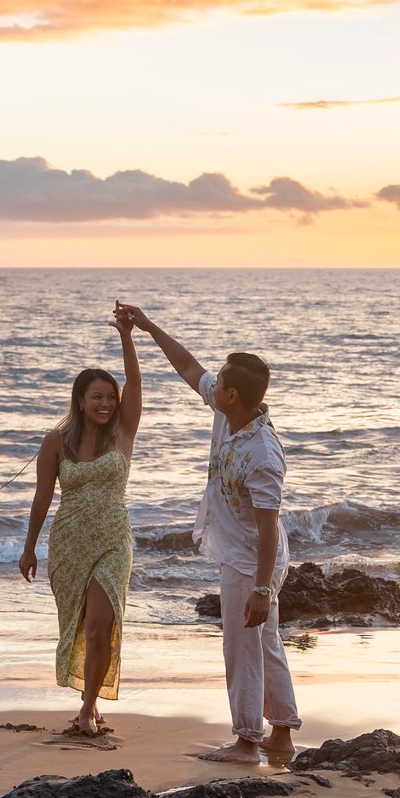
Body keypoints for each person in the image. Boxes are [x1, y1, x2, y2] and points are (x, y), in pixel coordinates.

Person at [116, 301, 298, 764]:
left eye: (219, 383)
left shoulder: (263, 454)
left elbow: (268, 526)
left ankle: (246, 742)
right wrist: (146, 326)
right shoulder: (229, 412)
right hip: (245, 555)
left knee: (243, 649)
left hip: (251, 562)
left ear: (232, 395)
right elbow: (187, 367)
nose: (211, 385)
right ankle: (281, 735)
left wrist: (261, 589)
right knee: (266, 644)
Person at [18, 310, 142, 738]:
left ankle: (87, 709)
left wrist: (128, 336)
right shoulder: (55, 441)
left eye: (111, 397)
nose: (106, 404)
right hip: (69, 540)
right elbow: (42, 497)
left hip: (113, 538)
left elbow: (135, 384)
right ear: (80, 400)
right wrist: (29, 547)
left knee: (100, 625)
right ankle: (87, 700)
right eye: (97, 397)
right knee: (79, 626)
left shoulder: (123, 432)